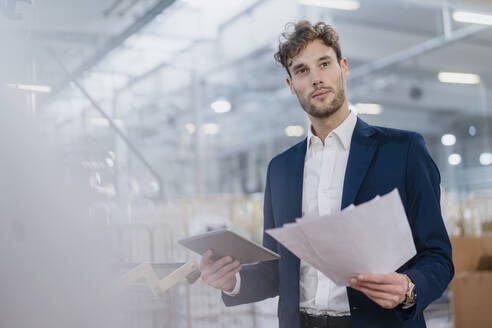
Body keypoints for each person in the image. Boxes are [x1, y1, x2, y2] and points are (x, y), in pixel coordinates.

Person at [199, 21, 454, 328]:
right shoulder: (280, 169)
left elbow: (438, 256)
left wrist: (409, 288)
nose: (317, 78)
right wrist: (231, 280)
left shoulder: (403, 151)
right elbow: (278, 271)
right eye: (302, 70)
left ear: (343, 67)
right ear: (291, 85)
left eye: (324, 64)